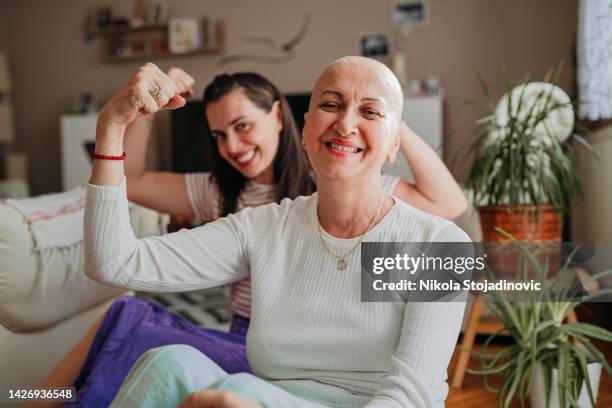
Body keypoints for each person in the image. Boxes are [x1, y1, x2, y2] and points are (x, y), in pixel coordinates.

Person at [33, 65, 467, 407]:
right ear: (305, 125)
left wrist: (252, 403)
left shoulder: (438, 245)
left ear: (394, 143)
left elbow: (411, 397)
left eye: (370, 112)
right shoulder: (263, 225)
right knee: (170, 362)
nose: (345, 123)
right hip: (269, 396)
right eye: (330, 106)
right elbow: (113, 263)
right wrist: (112, 125)